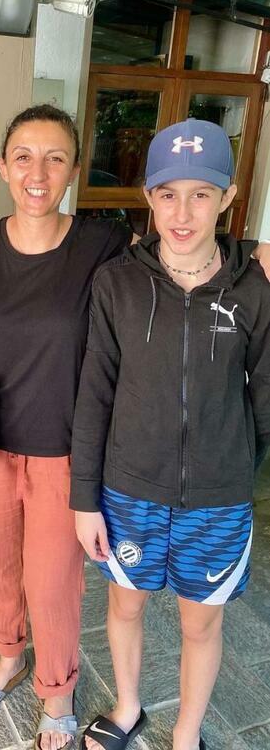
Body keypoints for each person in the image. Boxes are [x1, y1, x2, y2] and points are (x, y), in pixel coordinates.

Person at [71, 118, 270, 750]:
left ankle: (186, 735)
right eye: (168, 194)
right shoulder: (117, 284)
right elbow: (95, 394)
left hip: (217, 499)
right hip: (129, 491)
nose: (182, 214)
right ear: (149, 198)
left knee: (200, 626)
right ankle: (128, 707)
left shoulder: (255, 289)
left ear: (227, 198)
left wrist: (235, 470)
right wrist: (84, 499)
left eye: (201, 194)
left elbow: (266, 397)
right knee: (125, 606)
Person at [0, 104, 135, 750]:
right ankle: (8, 653)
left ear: (74, 172)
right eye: (24, 157)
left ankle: (57, 687)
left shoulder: (103, 245)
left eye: (55, 159)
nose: (38, 172)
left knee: (53, 581)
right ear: (3, 167)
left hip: (64, 449)